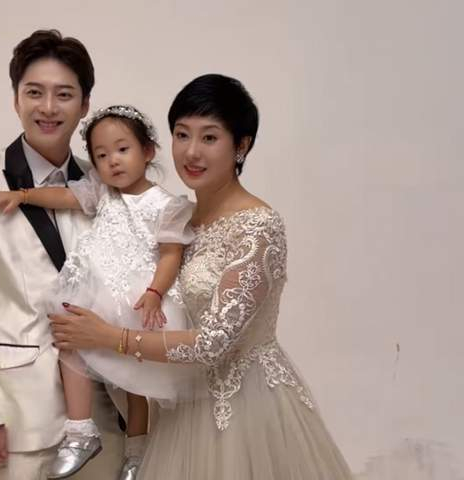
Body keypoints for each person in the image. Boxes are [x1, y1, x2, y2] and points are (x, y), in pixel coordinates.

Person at [47, 74, 354, 479]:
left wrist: (108, 337)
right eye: (182, 134)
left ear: (241, 146)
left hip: (247, 410)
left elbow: (213, 343)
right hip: (182, 410)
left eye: (209, 137)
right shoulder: (178, 219)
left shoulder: (258, 226)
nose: (191, 152)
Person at [0, 29, 123, 480]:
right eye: (34, 92)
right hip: (21, 415)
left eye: (64, 94)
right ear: (15, 99)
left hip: (107, 411)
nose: (48, 107)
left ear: (85, 104)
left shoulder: (107, 186)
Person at [0, 104, 194, 480]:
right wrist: (24, 196)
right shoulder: (102, 192)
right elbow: (64, 197)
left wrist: (154, 292)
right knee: (70, 342)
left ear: (148, 151)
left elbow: (170, 255)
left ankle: (137, 452)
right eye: (101, 155)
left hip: (136, 298)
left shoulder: (168, 206)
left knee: (136, 383)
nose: (113, 161)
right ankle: (80, 431)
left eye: (122, 150)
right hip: (98, 291)